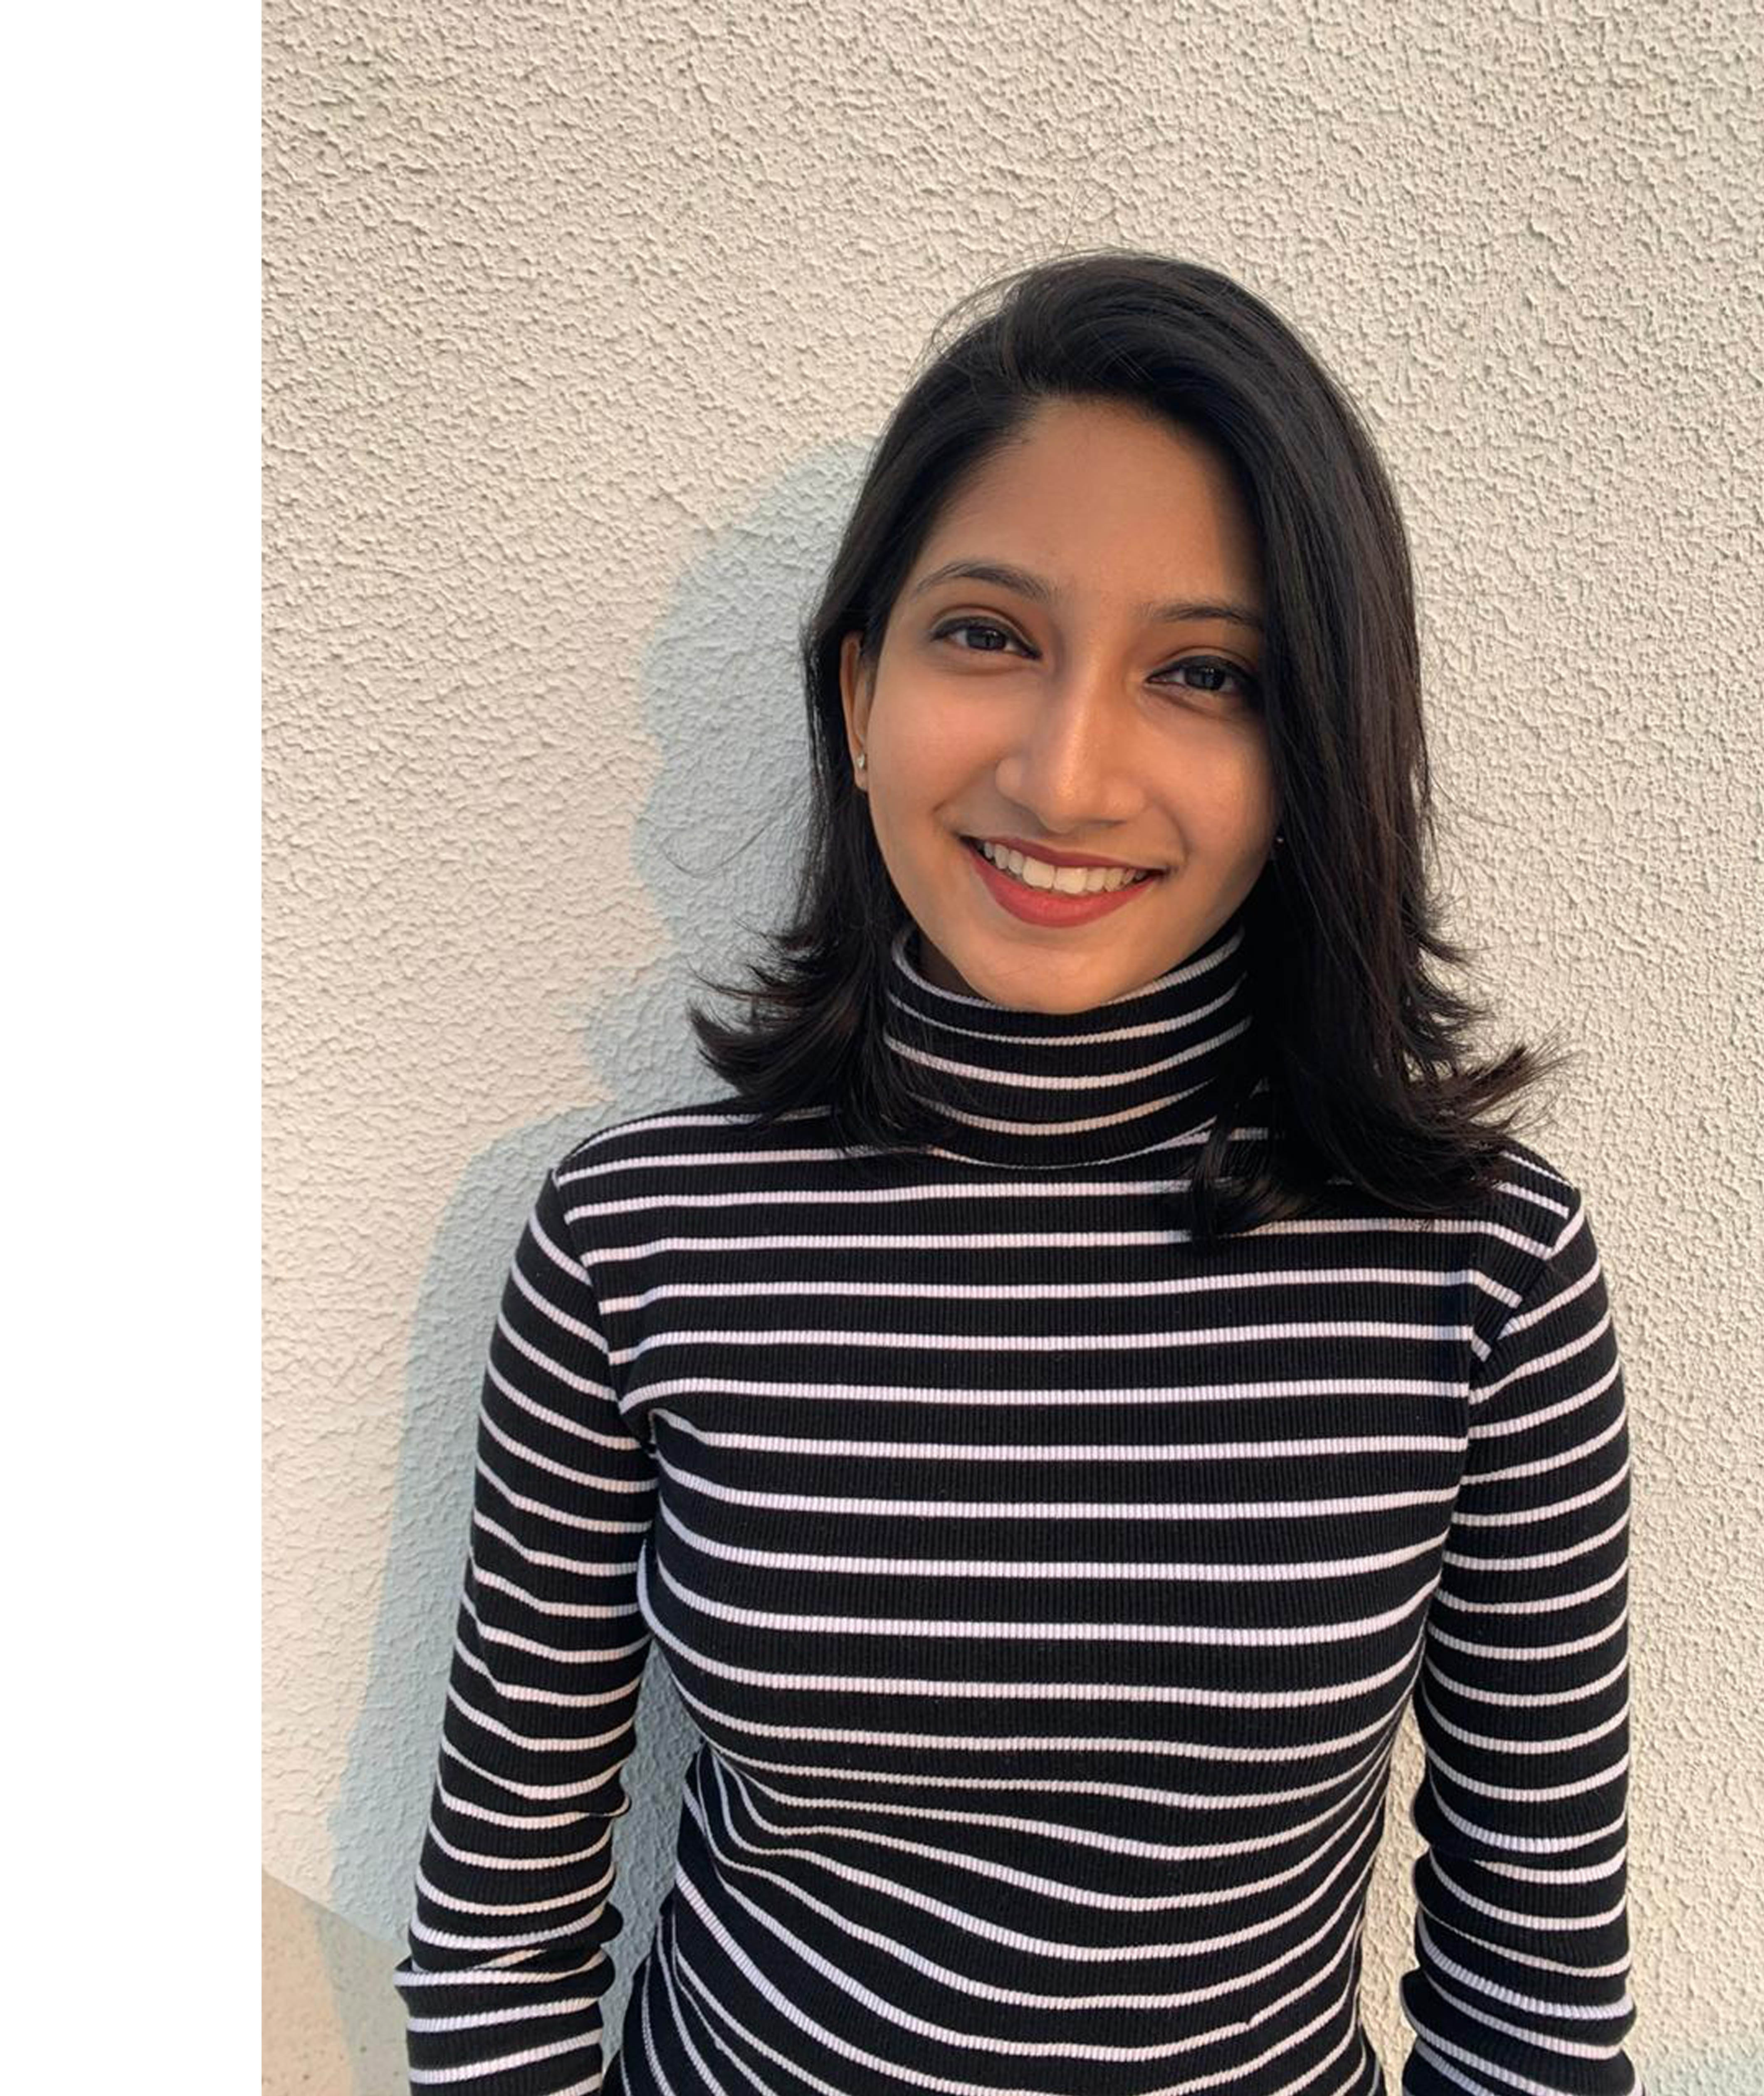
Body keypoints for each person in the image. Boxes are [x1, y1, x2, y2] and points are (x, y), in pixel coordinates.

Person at [393, 249, 1641, 2096]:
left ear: (1313, 753)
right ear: (857, 692)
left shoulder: (1482, 1274)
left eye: (1204, 673)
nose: (1067, 777)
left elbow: (1531, 1976)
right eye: (987, 636)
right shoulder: (631, 1245)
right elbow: (501, 1921)